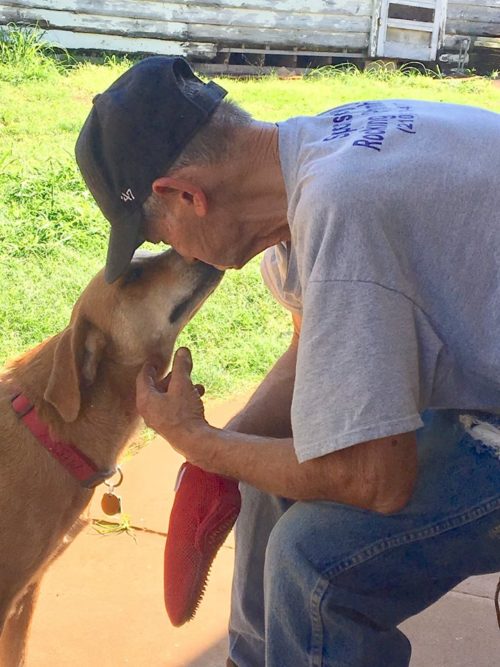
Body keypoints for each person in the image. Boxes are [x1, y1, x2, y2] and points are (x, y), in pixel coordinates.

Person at [75, 56, 500, 666]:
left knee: (316, 562)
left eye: (162, 238)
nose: (176, 252)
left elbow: (373, 478)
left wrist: (198, 443)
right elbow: (316, 347)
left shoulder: (343, 209)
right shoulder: (308, 163)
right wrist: (226, 453)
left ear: (184, 195)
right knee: (265, 486)